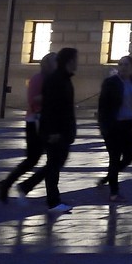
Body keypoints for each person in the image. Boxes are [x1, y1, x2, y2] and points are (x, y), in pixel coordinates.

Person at [0, 53, 58, 203]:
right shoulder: (38, 79)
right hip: (35, 123)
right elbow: (33, 100)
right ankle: (12, 184)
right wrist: (53, 96)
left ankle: (15, 184)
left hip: (48, 122)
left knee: (52, 159)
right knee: (34, 159)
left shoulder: (54, 79)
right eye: (55, 62)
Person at [96, 55, 132, 203]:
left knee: (129, 157)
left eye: (126, 65)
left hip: (127, 125)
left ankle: (108, 177)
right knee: (114, 158)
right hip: (113, 126)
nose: (123, 67)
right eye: (121, 64)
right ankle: (114, 192)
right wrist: (104, 127)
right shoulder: (110, 82)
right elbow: (103, 106)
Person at [39, 47, 79, 215]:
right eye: (76, 59)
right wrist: (53, 131)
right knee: (54, 165)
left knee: (55, 164)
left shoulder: (63, 79)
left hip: (62, 131)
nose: (77, 63)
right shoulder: (57, 80)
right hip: (56, 132)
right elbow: (51, 107)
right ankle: (53, 201)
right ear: (70, 61)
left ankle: (52, 199)